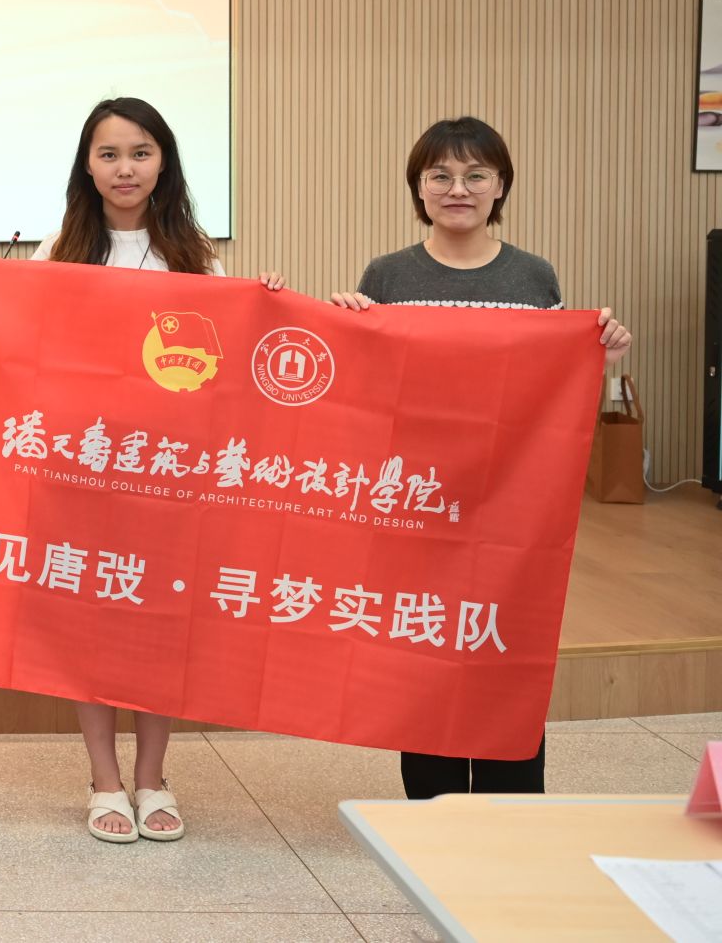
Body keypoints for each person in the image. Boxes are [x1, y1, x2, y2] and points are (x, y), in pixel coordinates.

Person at [331, 115, 630, 799]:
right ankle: (433, 811)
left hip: (511, 507)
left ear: (501, 186)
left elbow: (554, 395)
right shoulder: (387, 274)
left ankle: (512, 810)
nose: (457, 188)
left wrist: (600, 357)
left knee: (503, 646)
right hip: (418, 503)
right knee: (423, 649)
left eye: (475, 175)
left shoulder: (532, 275)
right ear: (418, 187)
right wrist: (343, 327)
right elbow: (364, 394)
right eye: (440, 175)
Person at [32, 96, 282, 845]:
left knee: (160, 624)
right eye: (108, 154)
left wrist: (264, 307)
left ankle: (152, 776)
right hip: (83, 469)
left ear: (164, 161)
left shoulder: (195, 255)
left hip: (170, 475)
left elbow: (230, 363)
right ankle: (103, 778)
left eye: (140, 152)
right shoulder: (60, 250)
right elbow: (25, 346)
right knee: (90, 622)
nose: (125, 168)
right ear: (86, 166)